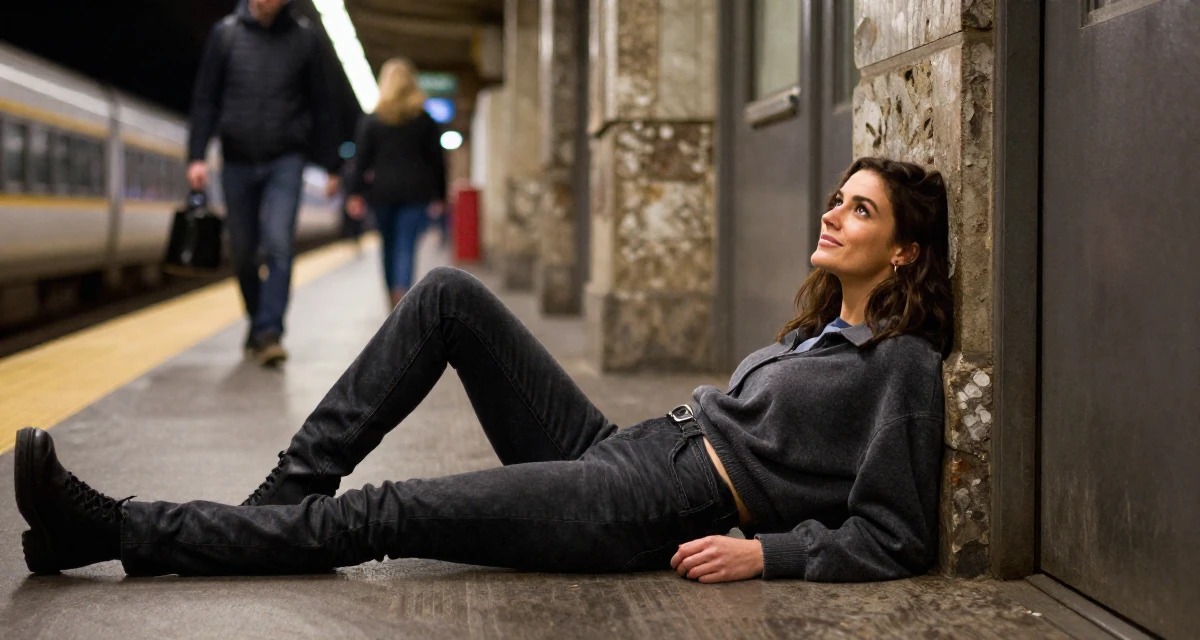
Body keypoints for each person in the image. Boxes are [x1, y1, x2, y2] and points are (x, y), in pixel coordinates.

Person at [14, 158, 953, 583]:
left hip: (651, 507)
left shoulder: (898, 367)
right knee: (447, 295)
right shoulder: (817, 331)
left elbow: (895, 535)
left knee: (388, 515)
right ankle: (273, 508)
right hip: (626, 452)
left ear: (905, 252)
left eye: (859, 211)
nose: (832, 215)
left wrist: (770, 553)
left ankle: (116, 530)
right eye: (835, 200)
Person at [186, 0, 343, 367]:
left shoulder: (306, 39)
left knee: (278, 243)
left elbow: (322, 105)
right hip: (237, 160)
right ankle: (258, 323)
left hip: (286, 159)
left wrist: (332, 165)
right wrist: (196, 155)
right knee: (242, 252)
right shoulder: (225, 34)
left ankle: (270, 332)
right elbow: (206, 99)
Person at [345, 58, 448, 308]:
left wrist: (355, 193)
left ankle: (392, 297)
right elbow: (437, 161)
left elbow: (361, 161)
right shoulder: (425, 121)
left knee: (388, 247)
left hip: (382, 192)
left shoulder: (372, 120)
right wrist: (440, 195)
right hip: (416, 193)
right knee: (406, 246)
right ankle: (403, 298)